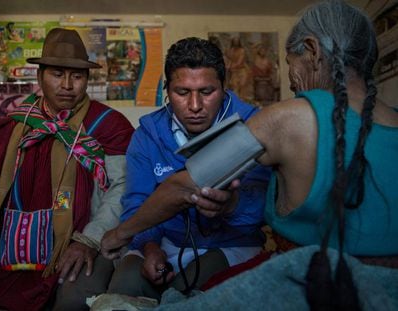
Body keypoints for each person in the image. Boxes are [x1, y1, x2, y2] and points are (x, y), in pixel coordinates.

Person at [101, 0, 398, 309]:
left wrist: (119, 235)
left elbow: (184, 186)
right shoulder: (393, 118)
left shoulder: (286, 118)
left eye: (288, 61)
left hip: (314, 285)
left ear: (311, 51)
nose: (292, 80)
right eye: (182, 93)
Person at [103, 37, 270, 301]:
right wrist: (149, 246)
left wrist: (232, 206)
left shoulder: (254, 125)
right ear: (166, 90)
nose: (195, 106)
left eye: (207, 92)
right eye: (182, 92)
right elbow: (136, 202)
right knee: (123, 290)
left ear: (224, 88)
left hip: (233, 243)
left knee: (189, 295)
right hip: (165, 243)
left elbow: (267, 204)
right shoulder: (147, 135)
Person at [0, 28, 134, 311]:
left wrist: (89, 238)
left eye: (77, 76)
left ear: (87, 79)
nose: (67, 85)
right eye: (57, 74)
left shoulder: (107, 125)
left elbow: (122, 188)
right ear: (40, 76)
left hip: (82, 241)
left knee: (73, 299)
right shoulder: (14, 125)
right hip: (14, 241)